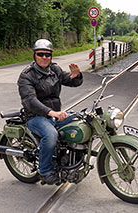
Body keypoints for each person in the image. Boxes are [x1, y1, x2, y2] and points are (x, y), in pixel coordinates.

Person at [17, 39, 83, 185]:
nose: (44, 57)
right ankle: (45, 171)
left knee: (80, 121)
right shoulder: (27, 75)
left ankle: (72, 158)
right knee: (51, 134)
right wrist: (50, 112)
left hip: (55, 114)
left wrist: (76, 76)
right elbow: (30, 100)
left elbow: (69, 80)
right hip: (35, 117)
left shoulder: (54, 69)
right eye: (40, 54)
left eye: (47, 54)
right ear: (34, 55)